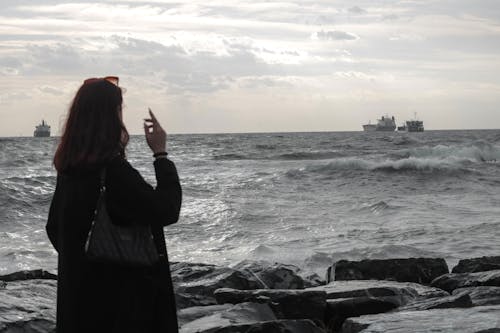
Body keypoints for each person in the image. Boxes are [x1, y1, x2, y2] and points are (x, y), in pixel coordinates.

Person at [46, 76, 182, 332]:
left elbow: (54, 229)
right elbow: (166, 210)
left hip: (79, 304)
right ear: (109, 118)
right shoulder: (113, 171)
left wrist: (86, 262)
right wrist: (161, 155)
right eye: (119, 110)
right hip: (121, 307)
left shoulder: (69, 170)